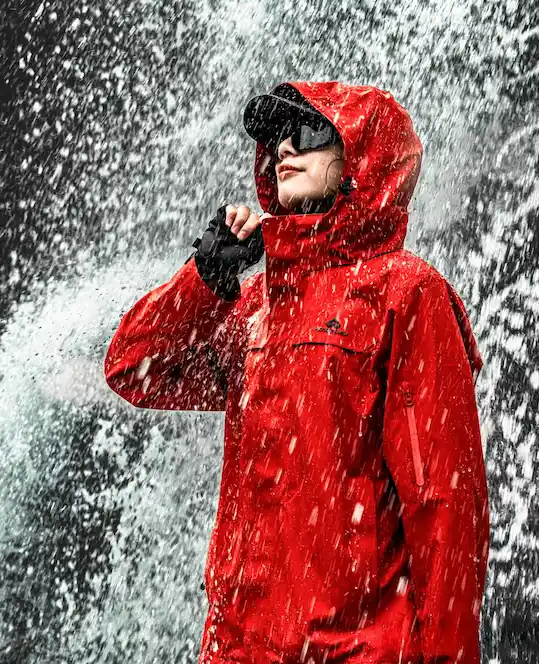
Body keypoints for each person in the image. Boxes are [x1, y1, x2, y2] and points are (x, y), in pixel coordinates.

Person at [104, 81, 490, 664]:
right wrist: (203, 280)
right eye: (276, 137)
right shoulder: (257, 303)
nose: (284, 147)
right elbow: (134, 369)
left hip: (355, 650)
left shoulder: (408, 292)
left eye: (307, 134)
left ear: (360, 155)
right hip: (240, 647)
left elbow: (444, 505)